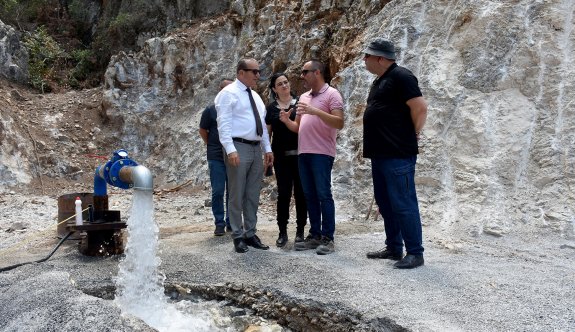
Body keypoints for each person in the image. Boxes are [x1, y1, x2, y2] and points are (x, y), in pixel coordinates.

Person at [362, 38, 428, 269]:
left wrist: (414, 132)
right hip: (380, 155)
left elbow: (420, 107)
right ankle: (393, 247)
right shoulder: (379, 81)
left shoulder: (402, 76)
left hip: (397, 153)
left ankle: (415, 252)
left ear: (380, 58)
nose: (364, 60)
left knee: (403, 202)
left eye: (367, 56)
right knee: (386, 202)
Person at [284, 60, 344, 255]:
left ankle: (328, 238)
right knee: (309, 195)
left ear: (317, 72)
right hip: (304, 152)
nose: (302, 76)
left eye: (305, 72)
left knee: (323, 194)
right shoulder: (303, 96)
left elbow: (339, 122)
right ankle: (315, 234)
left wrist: (314, 111)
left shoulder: (332, 94)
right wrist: (286, 121)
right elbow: (298, 127)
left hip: (322, 152)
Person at [215, 58, 274, 253]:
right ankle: (238, 235)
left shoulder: (255, 96)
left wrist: (267, 149)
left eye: (259, 71)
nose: (258, 75)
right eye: (254, 71)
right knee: (236, 193)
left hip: (255, 147)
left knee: (252, 194)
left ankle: (250, 233)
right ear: (241, 72)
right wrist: (230, 149)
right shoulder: (228, 93)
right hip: (238, 146)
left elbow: (262, 126)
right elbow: (223, 124)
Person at [265, 73, 307, 247]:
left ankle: (300, 231)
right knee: (283, 194)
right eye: (280, 84)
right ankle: (282, 231)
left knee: (301, 194)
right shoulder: (271, 109)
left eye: (286, 82)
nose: (284, 85)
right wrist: (267, 153)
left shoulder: (300, 104)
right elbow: (267, 133)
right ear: (274, 89)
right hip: (281, 157)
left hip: (301, 154)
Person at [199, 78, 233, 236]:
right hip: (216, 156)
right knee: (218, 190)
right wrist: (212, 145)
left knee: (232, 191)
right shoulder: (210, 110)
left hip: (233, 155)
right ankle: (219, 223)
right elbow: (203, 131)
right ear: (220, 91)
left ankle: (231, 221)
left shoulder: (236, 110)